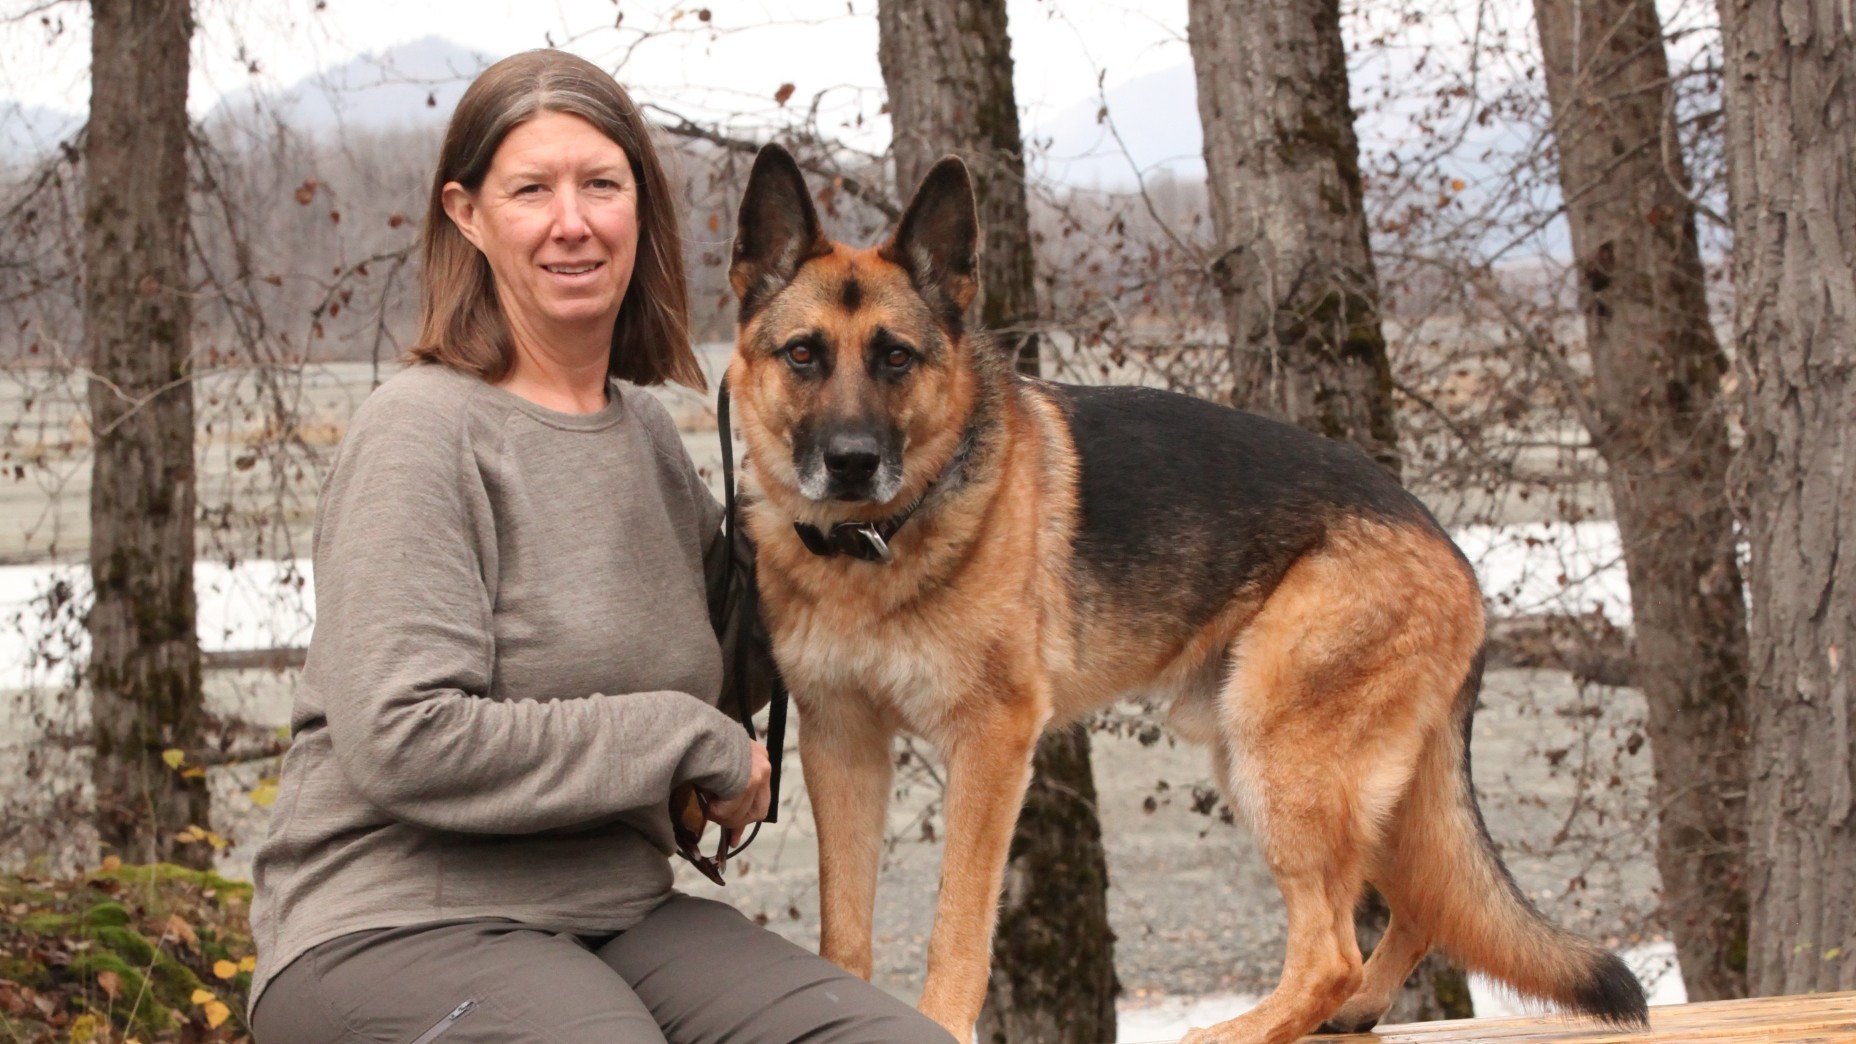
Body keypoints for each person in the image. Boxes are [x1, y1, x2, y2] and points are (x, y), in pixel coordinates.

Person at [247, 49, 954, 1044]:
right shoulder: (422, 431)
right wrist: (689, 743)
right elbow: (407, 738)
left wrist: (853, 523)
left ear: (640, 212)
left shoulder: (648, 439)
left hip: (615, 911)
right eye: (531, 188)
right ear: (467, 215)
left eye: (600, 185)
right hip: (390, 921)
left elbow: (733, 662)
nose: (571, 221)